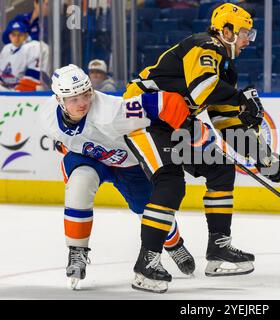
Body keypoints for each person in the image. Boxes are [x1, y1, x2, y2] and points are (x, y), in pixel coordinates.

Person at [123, 3, 280, 293]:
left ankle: (218, 250)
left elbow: (228, 126)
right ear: (226, 31)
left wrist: (266, 159)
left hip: (175, 122)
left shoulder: (226, 68)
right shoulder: (204, 45)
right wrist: (241, 99)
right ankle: (145, 264)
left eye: (251, 33)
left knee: (221, 168)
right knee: (171, 183)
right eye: (244, 32)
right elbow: (202, 89)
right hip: (144, 115)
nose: (249, 39)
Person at [40, 65, 195, 290]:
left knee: (148, 208)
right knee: (79, 185)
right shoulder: (47, 116)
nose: (82, 102)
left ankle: (174, 244)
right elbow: (64, 140)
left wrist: (188, 124)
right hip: (91, 160)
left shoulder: (111, 112)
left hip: (128, 165)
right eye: (73, 98)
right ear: (59, 100)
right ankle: (77, 252)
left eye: (86, 94)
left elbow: (161, 104)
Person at [0, 20, 45, 91]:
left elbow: (32, 79)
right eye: (13, 35)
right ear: (9, 36)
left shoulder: (32, 47)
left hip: (19, 91)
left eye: (20, 34)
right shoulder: (7, 48)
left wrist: (17, 91)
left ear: (26, 35)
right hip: (6, 88)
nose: (16, 38)